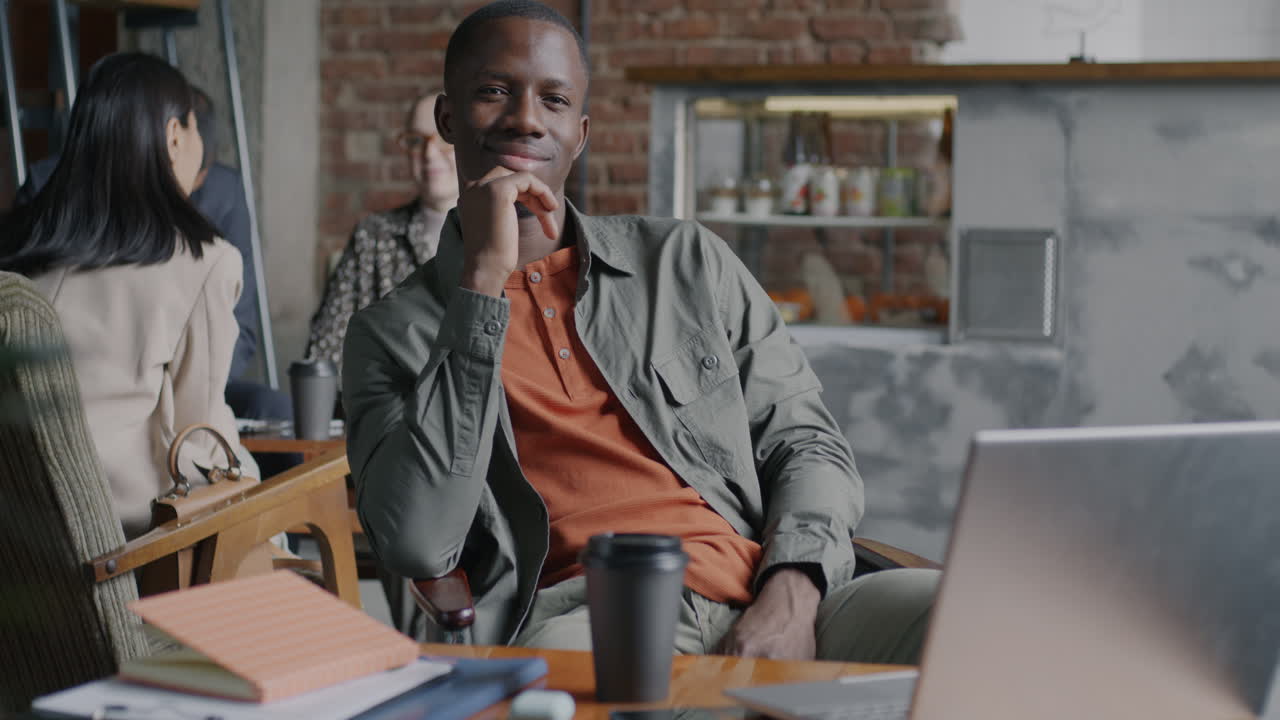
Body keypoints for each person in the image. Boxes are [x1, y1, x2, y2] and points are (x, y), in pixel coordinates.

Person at [343, 0, 937, 661]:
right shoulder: (389, 334)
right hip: (593, 620)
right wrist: (480, 283)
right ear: (449, 119)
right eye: (493, 91)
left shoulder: (685, 261)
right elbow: (418, 542)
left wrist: (791, 593)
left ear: (580, 134)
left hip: (776, 591)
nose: (526, 118)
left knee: (977, 618)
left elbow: (808, 444)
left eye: (554, 100)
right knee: (584, 692)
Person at [0, 52, 259, 540]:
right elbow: (201, 439)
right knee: (250, 476)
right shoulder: (203, 262)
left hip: (20, 535)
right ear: (175, 136)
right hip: (131, 537)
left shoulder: (18, 245)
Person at [11, 85, 289, 423]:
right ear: (166, 142)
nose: (184, 189)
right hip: (93, 384)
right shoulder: (51, 188)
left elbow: (240, 329)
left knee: (272, 407)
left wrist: (181, 380)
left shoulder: (224, 194)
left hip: (192, 377)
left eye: (199, 178)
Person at [306, 90, 459, 379]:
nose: (429, 154)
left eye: (443, 138)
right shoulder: (374, 237)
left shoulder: (499, 236)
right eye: (416, 141)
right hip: (387, 401)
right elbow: (324, 348)